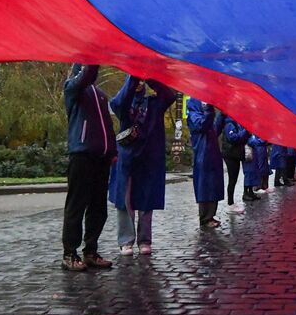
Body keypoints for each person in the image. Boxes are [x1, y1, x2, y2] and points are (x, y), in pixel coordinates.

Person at [109, 75, 179, 254]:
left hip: (149, 159)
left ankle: (144, 240)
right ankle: (126, 240)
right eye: (136, 81)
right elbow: (117, 103)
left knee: (146, 201)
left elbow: (169, 96)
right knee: (125, 200)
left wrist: (150, 77)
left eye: (141, 81)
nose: (139, 83)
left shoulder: (154, 103)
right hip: (127, 158)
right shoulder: (124, 103)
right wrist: (132, 77)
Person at [61, 64, 116, 271]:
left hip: (101, 157)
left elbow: (107, 125)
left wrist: (112, 150)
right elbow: (88, 74)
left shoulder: (101, 95)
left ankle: (91, 251)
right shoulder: (73, 87)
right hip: (81, 154)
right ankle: (69, 253)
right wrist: (92, 53)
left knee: (98, 207)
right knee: (76, 205)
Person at [187, 97, 224, 229]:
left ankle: (210, 216)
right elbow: (202, 125)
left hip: (212, 155)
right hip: (203, 157)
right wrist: (209, 109)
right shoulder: (193, 115)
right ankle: (205, 218)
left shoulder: (206, 114)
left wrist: (223, 115)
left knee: (213, 186)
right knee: (205, 187)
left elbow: (215, 128)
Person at [221, 116, 254, 204]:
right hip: (230, 155)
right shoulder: (230, 124)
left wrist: (246, 134)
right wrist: (245, 132)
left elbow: (241, 139)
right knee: (232, 179)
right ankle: (230, 202)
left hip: (235, 155)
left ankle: (231, 202)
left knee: (234, 179)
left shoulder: (236, 124)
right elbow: (232, 138)